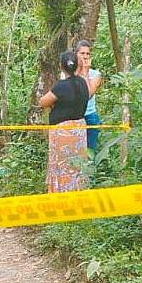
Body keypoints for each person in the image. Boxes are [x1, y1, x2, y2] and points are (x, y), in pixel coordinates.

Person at [38, 50, 92, 193]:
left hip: (63, 132)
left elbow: (43, 102)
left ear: (61, 67)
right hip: (79, 130)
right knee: (77, 165)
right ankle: (79, 190)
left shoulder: (61, 86)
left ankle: (62, 191)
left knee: (62, 165)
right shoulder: (82, 83)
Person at [76, 40, 103, 152]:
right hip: (74, 116)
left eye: (88, 54)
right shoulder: (69, 74)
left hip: (90, 116)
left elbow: (88, 95)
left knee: (90, 151)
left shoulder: (95, 75)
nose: (85, 56)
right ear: (76, 55)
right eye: (82, 53)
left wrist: (85, 73)